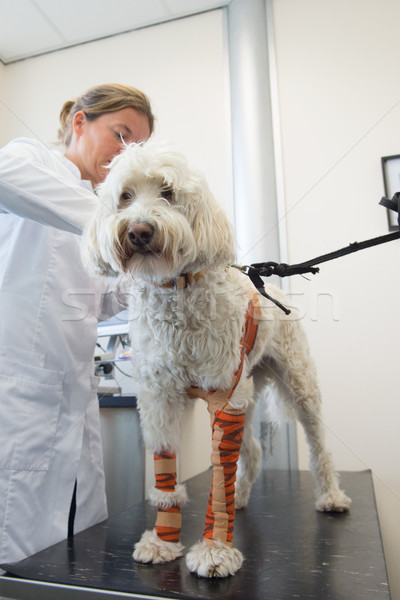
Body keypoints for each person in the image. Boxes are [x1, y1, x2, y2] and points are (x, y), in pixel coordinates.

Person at [0, 83, 154, 564]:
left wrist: (159, 270)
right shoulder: (32, 162)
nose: (127, 153)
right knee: (19, 553)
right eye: (121, 134)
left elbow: (103, 301)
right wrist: (125, 228)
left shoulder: (101, 212)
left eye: (139, 147)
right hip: (19, 395)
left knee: (79, 548)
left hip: (75, 401)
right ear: (80, 122)